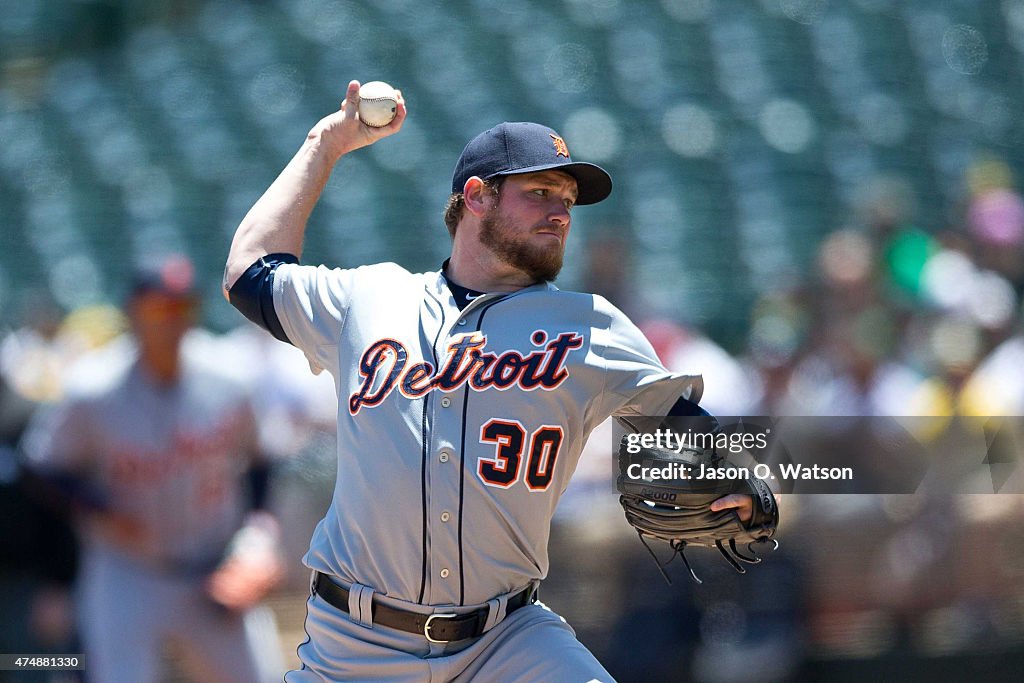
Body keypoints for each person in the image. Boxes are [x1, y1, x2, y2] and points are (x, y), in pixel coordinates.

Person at [223, 79, 753, 682]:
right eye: (540, 191)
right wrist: (326, 143)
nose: (560, 212)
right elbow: (248, 273)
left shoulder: (588, 325)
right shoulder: (369, 298)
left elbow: (691, 426)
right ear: (476, 196)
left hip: (508, 639)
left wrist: (741, 479)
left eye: (568, 200)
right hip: (356, 646)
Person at [21, 256, 285, 683]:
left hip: (214, 571)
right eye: (157, 308)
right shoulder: (94, 388)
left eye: (181, 307)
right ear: (132, 313)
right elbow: (40, 468)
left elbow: (262, 461)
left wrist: (258, 540)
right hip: (128, 573)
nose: (170, 320)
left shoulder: (230, 378)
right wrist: (95, 509)